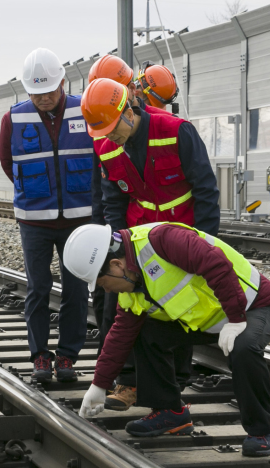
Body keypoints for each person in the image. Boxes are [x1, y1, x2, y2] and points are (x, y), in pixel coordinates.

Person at [65, 222, 270, 458]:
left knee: (244, 348)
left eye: (103, 283)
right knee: (141, 331)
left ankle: (262, 431)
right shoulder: (130, 289)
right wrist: (99, 384)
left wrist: (237, 318)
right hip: (210, 320)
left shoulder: (163, 239)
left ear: (117, 265)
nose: (106, 291)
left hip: (253, 305)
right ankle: (170, 411)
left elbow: (216, 265)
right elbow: (119, 337)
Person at [82, 77, 220, 412]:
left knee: (178, 306)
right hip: (136, 241)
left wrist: (205, 245)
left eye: (114, 128)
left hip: (182, 236)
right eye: (103, 132)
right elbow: (112, 199)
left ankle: (174, 384)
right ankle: (127, 383)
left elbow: (205, 190)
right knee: (119, 308)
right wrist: (116, 245)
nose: (110, 137)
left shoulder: (176, 131)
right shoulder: (106, 145)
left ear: (129, 110)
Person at [0, 48, 93, 383]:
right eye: (35, 93)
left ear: (63, 83)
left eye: (49, 92)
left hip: (80, 221)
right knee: (38, 288)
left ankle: (67, 357)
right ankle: (40, 356)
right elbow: (10, 165)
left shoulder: (86, 109)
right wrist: (40, 191)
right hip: (34, 220)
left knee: (76, 290)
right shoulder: (13, 118)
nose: (42, 99)